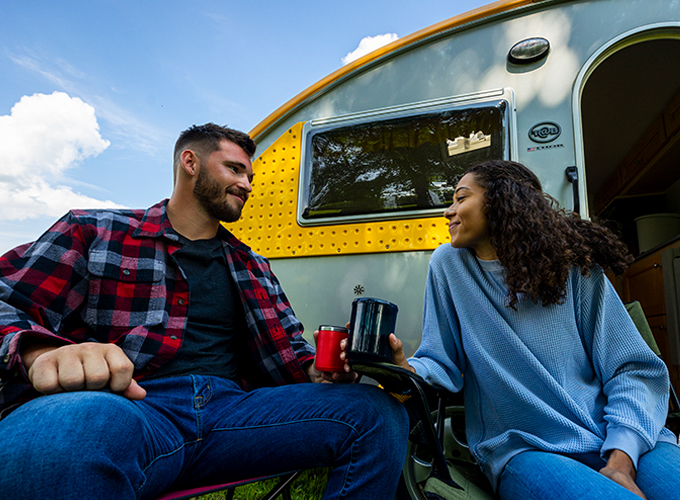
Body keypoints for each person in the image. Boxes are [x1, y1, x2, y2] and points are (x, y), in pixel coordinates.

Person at [0, 123, 408, 500]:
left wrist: (323, 371)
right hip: (132, 407)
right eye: (234, 169)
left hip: (234, 415)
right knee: (67, 428)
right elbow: (8, 299)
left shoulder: (253, 264)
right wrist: (40, 351)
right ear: (190, 162)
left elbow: (292, 358)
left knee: (375, 412)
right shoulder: (95, 231)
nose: (246, 184)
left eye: (249, 176)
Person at [387, 160, 680, 500]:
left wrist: (622, 457)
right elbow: (441, 363)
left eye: (460, 197)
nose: (448, 211)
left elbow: (631, 369)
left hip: (622, 433)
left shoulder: (573, 267)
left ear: (500, 201)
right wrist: (404, 368)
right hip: (525, 451)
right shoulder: (449, 266)